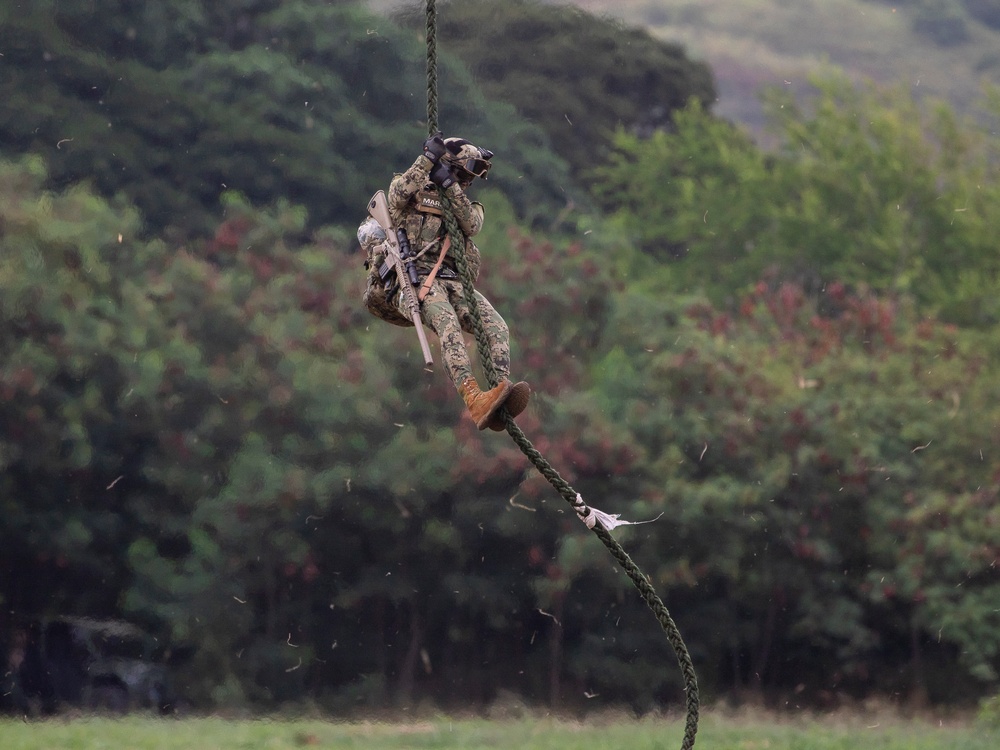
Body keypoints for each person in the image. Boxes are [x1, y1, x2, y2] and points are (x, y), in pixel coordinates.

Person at [359, 133, 530, 431]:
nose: (468, 182)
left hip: (453, 282)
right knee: (448, 326)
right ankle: (474, 398)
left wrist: (449, 186)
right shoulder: (413, 189)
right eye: (463, 174)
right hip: (413, 279)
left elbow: (472, 225)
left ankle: (499, 388)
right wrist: (426, 161)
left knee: (495, 325)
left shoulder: (465, 205)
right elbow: (396, 195)